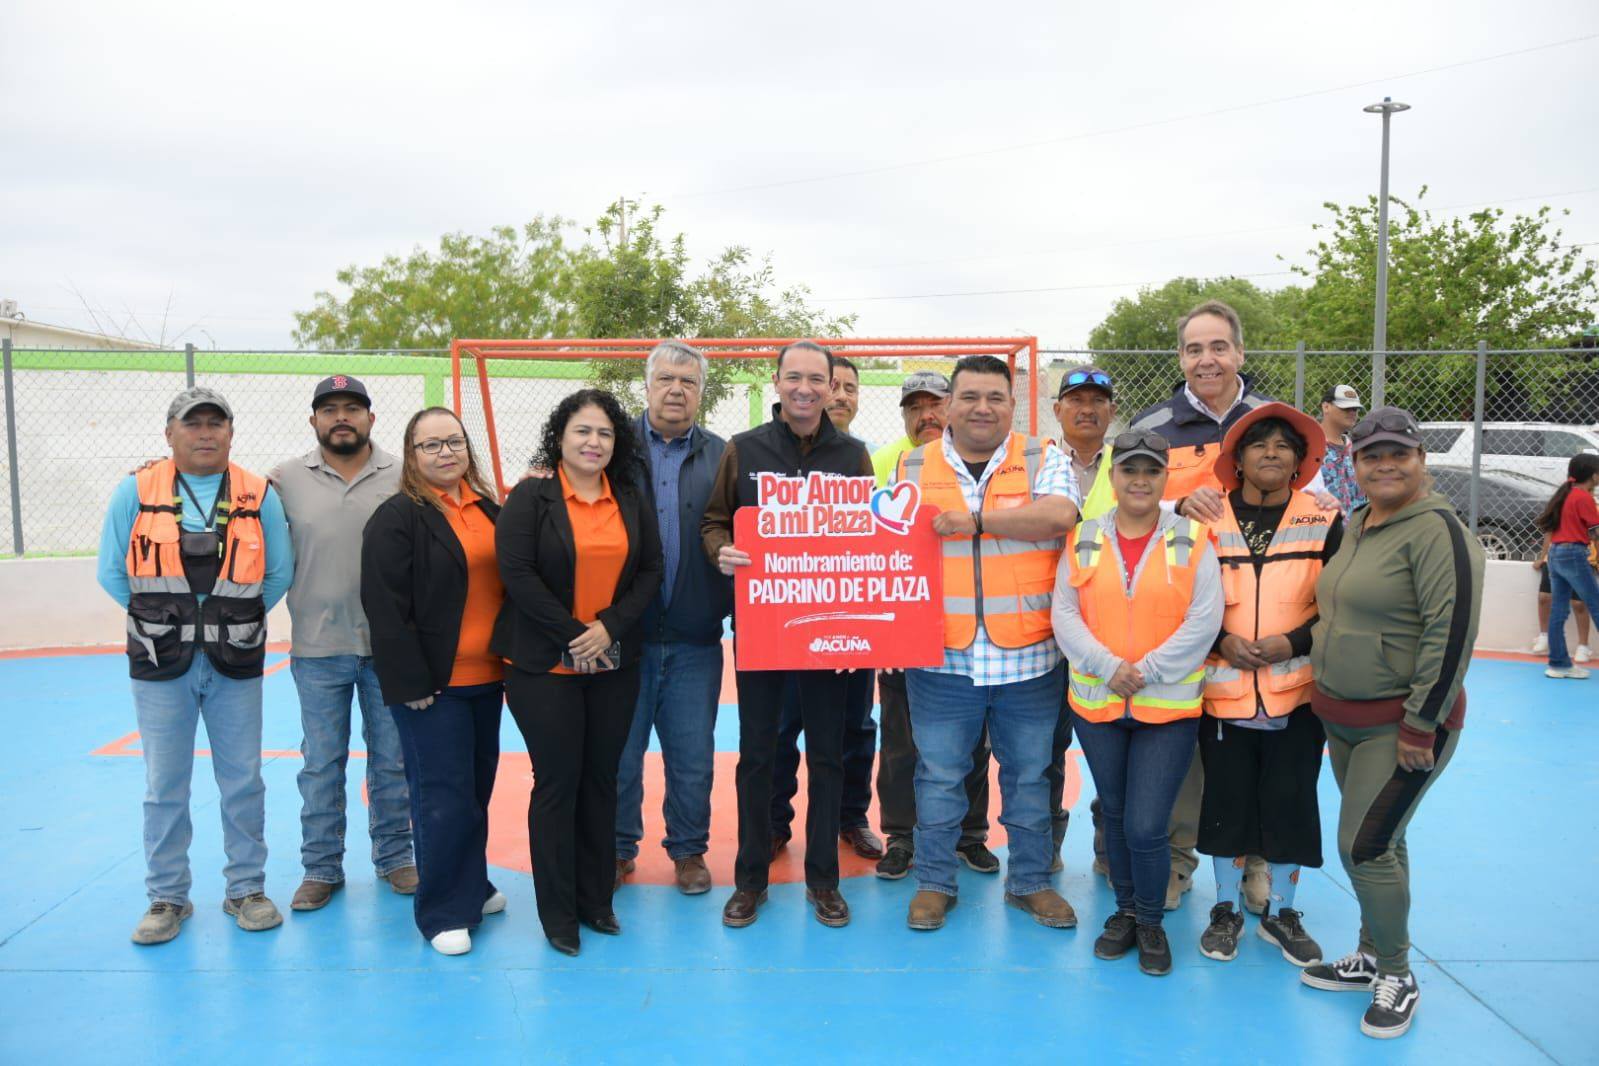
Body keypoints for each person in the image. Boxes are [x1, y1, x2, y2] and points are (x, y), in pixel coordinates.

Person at [1301, 406, 1484, 1039]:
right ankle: (1371, 952)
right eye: (1371, 456)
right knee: (1386, 839)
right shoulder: (1359, 522)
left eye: (1397, 454)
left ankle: (1398, 974)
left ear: (1420, 460)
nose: (1384, 466)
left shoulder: (1437, 531)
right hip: (1344, 719)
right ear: (1354, 463)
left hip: (1401, 725)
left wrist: (1420, 725)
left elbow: (1450, 634)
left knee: (1364, 846)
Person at [98, 386, 295, 945]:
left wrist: (229, 619)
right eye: (193, 423)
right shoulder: (134, 491)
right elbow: (112, 572)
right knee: (164, 784)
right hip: (161, 662)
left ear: (231, 433)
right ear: (170, 433)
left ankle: (247, 890)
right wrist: (167, 621)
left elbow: (278, 572)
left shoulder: (260, 493)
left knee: (243, 781)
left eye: (216, 423)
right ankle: (167, 897)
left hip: (236, 658)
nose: (205, 433)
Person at [898, 354, 1082, 933]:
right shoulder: (911, 464)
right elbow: (886, 550)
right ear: (948, 405)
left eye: (995, 397)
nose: (983, 408)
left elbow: (1059, 515)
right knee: (938, 777)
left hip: (1029, 656)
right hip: (941, 657)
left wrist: (976, 521)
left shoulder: (1042, 456)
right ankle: (934, 883)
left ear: (1012, 405)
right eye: (970, 397)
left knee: (1029, 777)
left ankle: (1030, 882)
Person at [702, 340, 874, 929]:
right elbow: (714, 521)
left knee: (828, 756)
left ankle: (823, 880)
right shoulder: (744, 448)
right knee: (758, 755)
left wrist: (859, 629)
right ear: (776, 382)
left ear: (832, 386)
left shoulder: (853, 455)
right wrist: (720, 550)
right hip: (763, 626)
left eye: (816, 379)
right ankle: (750, 879)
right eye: (793, 377)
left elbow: (868, 544)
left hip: (827, 633)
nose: (805, 388)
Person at [495, 389, 664, 955]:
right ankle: (558, 913)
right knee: (558, 783)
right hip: (543, 666)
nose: (594, 442)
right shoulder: (531, 497)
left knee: (601, 780)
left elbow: (651, 570)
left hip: (613, 663)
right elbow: (518, 574)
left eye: (605, 433)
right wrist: (575, 633)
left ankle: (596, 902)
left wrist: (609, 627)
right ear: (560, 437)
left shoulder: (629, 497)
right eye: (583, 431)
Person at [1053, 430, 1222, 976]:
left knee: (1148, 825)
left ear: (1165, 478)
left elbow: (1204, 619)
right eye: (1130, 470)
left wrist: (1145, 671)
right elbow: (1065, 613)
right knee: (1118, 814)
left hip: (1166, 710)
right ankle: (1125, 911)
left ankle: (1150, 921)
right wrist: (1108, 667)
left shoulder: (1192, 538)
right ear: (1114, 477)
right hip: (1099, 707)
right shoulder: (1083, 537)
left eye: (1152, 471)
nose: (1141, 480)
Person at [1128, 300, 1275, 912]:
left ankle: (1255, 863)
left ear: (1239, 352)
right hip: (1178, 617)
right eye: (1194, 349)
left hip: (1260, 612)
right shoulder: (1153, 426)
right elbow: (1119, 508)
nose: (1206, 360)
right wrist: (1174, 507)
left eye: (1218, 347)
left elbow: (1312, 502)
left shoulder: (1272, 420)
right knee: (1180, 748)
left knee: (1256, 746)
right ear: (1180, 358)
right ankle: (1176, 862)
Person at [1195, 404, 1341, 968]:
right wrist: (1220, 641)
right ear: (1238, 459)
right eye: (1259, 444)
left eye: (1284, 445)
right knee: (1226, 805)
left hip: (1296, 694)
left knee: (1290, 803)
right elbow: (1181, 596)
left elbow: (1340, 604)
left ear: (1301, 461)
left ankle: (1282, 913)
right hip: (1223, 696)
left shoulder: (1324, 519)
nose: (1272, 452)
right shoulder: (1206, 518)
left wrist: (1295, 642)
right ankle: (1225, 910)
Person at [361, 407, 506, 956]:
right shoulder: (398, 517)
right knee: (441, 797)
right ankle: (442, 910)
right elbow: (384, 606)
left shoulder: (488, 510)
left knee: (475, 791)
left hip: (489, 679)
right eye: (431, 445)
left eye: (454, 441)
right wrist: (410, 682)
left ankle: (472, 885)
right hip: (434, 688)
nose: (446, 452)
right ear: (411, 454)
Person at [268, 375, 415, 913]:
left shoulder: (404, 474)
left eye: (352, 408)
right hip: (318, 647)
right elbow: (224, 491)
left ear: (371, 418)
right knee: (321, 764)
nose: (341, 417)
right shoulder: (284, 479)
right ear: (314, 421)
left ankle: (395, 857)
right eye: (329, 409)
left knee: (393, 760)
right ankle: (321, 868)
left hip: (389, 646)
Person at [612, 342, 733, 895]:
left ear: (701, 391)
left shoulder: (725, 456)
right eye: (666, 379)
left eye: (688, 381)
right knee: (620, 755)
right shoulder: (612, 448)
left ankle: (688, 850)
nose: (676, 390)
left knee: (693, 756)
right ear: (647, 385)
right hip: (624, 637)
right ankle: (617, 849)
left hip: (695, 637)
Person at [869, 371, 996, 881]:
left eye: (934, 404)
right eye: (914, 407)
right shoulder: (886, 462)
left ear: (952, 407)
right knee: (900, 740)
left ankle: (970, 834)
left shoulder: (979, 459)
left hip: (968, 628)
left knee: (973, 741)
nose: (925, 415)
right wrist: (883, 632)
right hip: (906, 628)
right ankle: (901, 836)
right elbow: (866, 547)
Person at [770, 353, 883, 864]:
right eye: (830, 384)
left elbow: (881, 545)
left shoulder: (864, 457)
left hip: (849, 622)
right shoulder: (759, 451)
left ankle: (850, 817)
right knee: (780, 728)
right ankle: (774, 823)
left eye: (847, 388)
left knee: (856, 726)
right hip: (784, 618)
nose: (837, 395)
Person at [1049, 365, 1118, 877]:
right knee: (1043, 747)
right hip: (1041, 629)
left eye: (1097, 400)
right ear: (1058, 410)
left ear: (1112, 411)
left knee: (1110, 748)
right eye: (1076, 400)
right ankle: (1044, 845)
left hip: (1111, 630)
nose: (1087, 409)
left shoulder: (1131, 464)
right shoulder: (1035, 464)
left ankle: (1109, 846)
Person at [1538, 454, 1599, 679]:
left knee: (1559, 610)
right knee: (1595, 603)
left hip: (1555, 554)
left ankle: (1558, 665)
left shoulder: (1566, 494)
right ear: (1594, 475)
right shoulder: (1584, 498)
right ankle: (1560, 664)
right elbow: (1596, 533)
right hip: (1574, 554)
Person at [1305, 384, 1366, 515]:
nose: (1352, 412)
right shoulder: (1309, 447)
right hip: (1323, 523)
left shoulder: (1356, 448)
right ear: (1326, 407)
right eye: (1346, 408)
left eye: (1355, 408)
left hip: (1357, 525)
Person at [1532, 534, 1592, 661]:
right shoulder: (1556, 519)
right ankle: (1544, 636)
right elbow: (1549, 533)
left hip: (1582, 558)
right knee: (1544, 597)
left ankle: (1583, 646)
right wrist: (1542, 558)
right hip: (1555, 556)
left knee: (1578, 604)